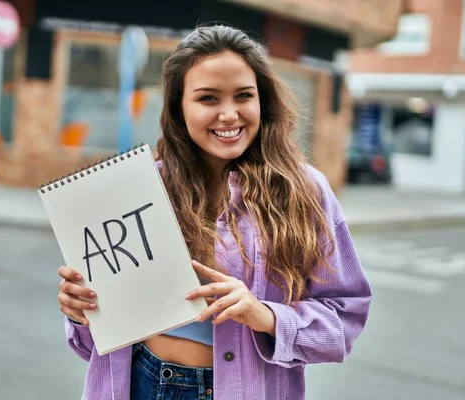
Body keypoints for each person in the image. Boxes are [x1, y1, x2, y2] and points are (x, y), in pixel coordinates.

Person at [57, 24, 372, 400]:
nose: (228, 114)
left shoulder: (304, 191)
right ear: (179, 107)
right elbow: (90, 346)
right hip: (137, 382)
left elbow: (343, 320)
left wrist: (265, 316)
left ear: (262, 101)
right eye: (208, 98)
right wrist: (81, 310)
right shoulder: (138, 188)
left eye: (243, 96)